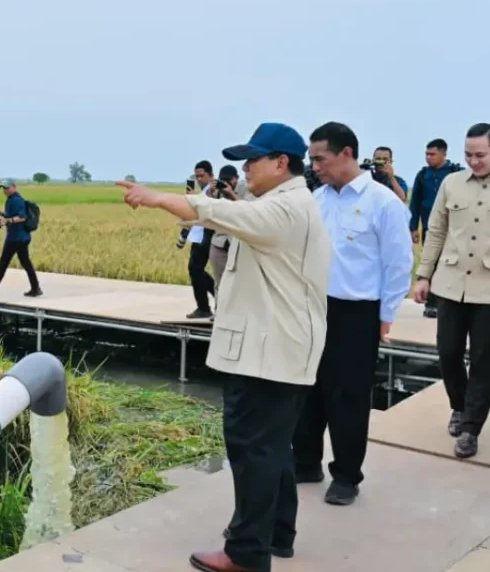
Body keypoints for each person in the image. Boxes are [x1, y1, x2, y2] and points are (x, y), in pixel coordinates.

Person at [117, 121, 331, 572]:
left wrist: (158, 198)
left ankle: (246, 553)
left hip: (267, 355)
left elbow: (217, 214)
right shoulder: (281, 202)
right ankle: (277, 534)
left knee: (253, 451)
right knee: (272, 450)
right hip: (273, 350)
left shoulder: (285, 210)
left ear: (281, 163)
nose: (245, 167)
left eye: (253, 159)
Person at [292, 122, 414, 506]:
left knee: (347, 396)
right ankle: (306, 460)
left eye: (320, 158)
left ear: (346, 154)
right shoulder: (318, 199)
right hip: (314, 306)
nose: (314, 166)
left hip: (357, 312)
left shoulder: (384, 203)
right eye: (311, 159)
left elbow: (398, 264)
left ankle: (346, 474)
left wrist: (386, 314)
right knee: (307, 389)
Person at [412, 123, 490, 459]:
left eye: (481, 154)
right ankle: (459, 405)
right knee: (448, 352)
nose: (474, 161)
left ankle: (471, 428)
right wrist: (424, 275)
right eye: (468, 154)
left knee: (482, 357)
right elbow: (436, 231)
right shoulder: (452, 184)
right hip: (451, 284)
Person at [408, 138, 464, 318]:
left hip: (454, 229)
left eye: (432, 154)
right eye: (427, 154)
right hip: (429, 228)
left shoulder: (457, 174)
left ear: (444, 154)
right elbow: (415, 201)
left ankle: (450, 303)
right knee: (430, 264)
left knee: (451, 266)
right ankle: (431, 303)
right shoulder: (423, 175)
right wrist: (413, 227)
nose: (428, 157)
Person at [0, 179, 42, 297]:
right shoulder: (11, 200)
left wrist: (7, 220)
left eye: (7, 188)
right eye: (3, 188)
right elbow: (12, 216)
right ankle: (35, 288)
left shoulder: (17, 200)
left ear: (14, 187)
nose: (5, 190)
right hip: (20, 237)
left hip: (16, 238)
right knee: (25, 263)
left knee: (4, 262)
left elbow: (22, 217)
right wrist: (0, 217)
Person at [208, 164, 250, 292]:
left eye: (228, 180)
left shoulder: (245, 188)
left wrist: (231, 194)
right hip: (219, 242)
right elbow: (208, 212)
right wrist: (211, 194)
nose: (225, 183)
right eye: (222, 180)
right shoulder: (217, 192)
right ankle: (219, 310)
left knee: (240, 284)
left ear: (236, 178)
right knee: (220, 283)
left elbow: (249, 211)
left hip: (239, 244)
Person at [185, 160, 217, 319]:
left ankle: (204, 307)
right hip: (199, 235)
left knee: (195, 269)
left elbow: (211, 208)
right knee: (195, 269)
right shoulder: (203, 191)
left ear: (210, 174)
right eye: (196, 176)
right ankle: (208, 302)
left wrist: (195, 200)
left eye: (201, 175)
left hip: (207, 234)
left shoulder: (212, 189)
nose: (198, 179)